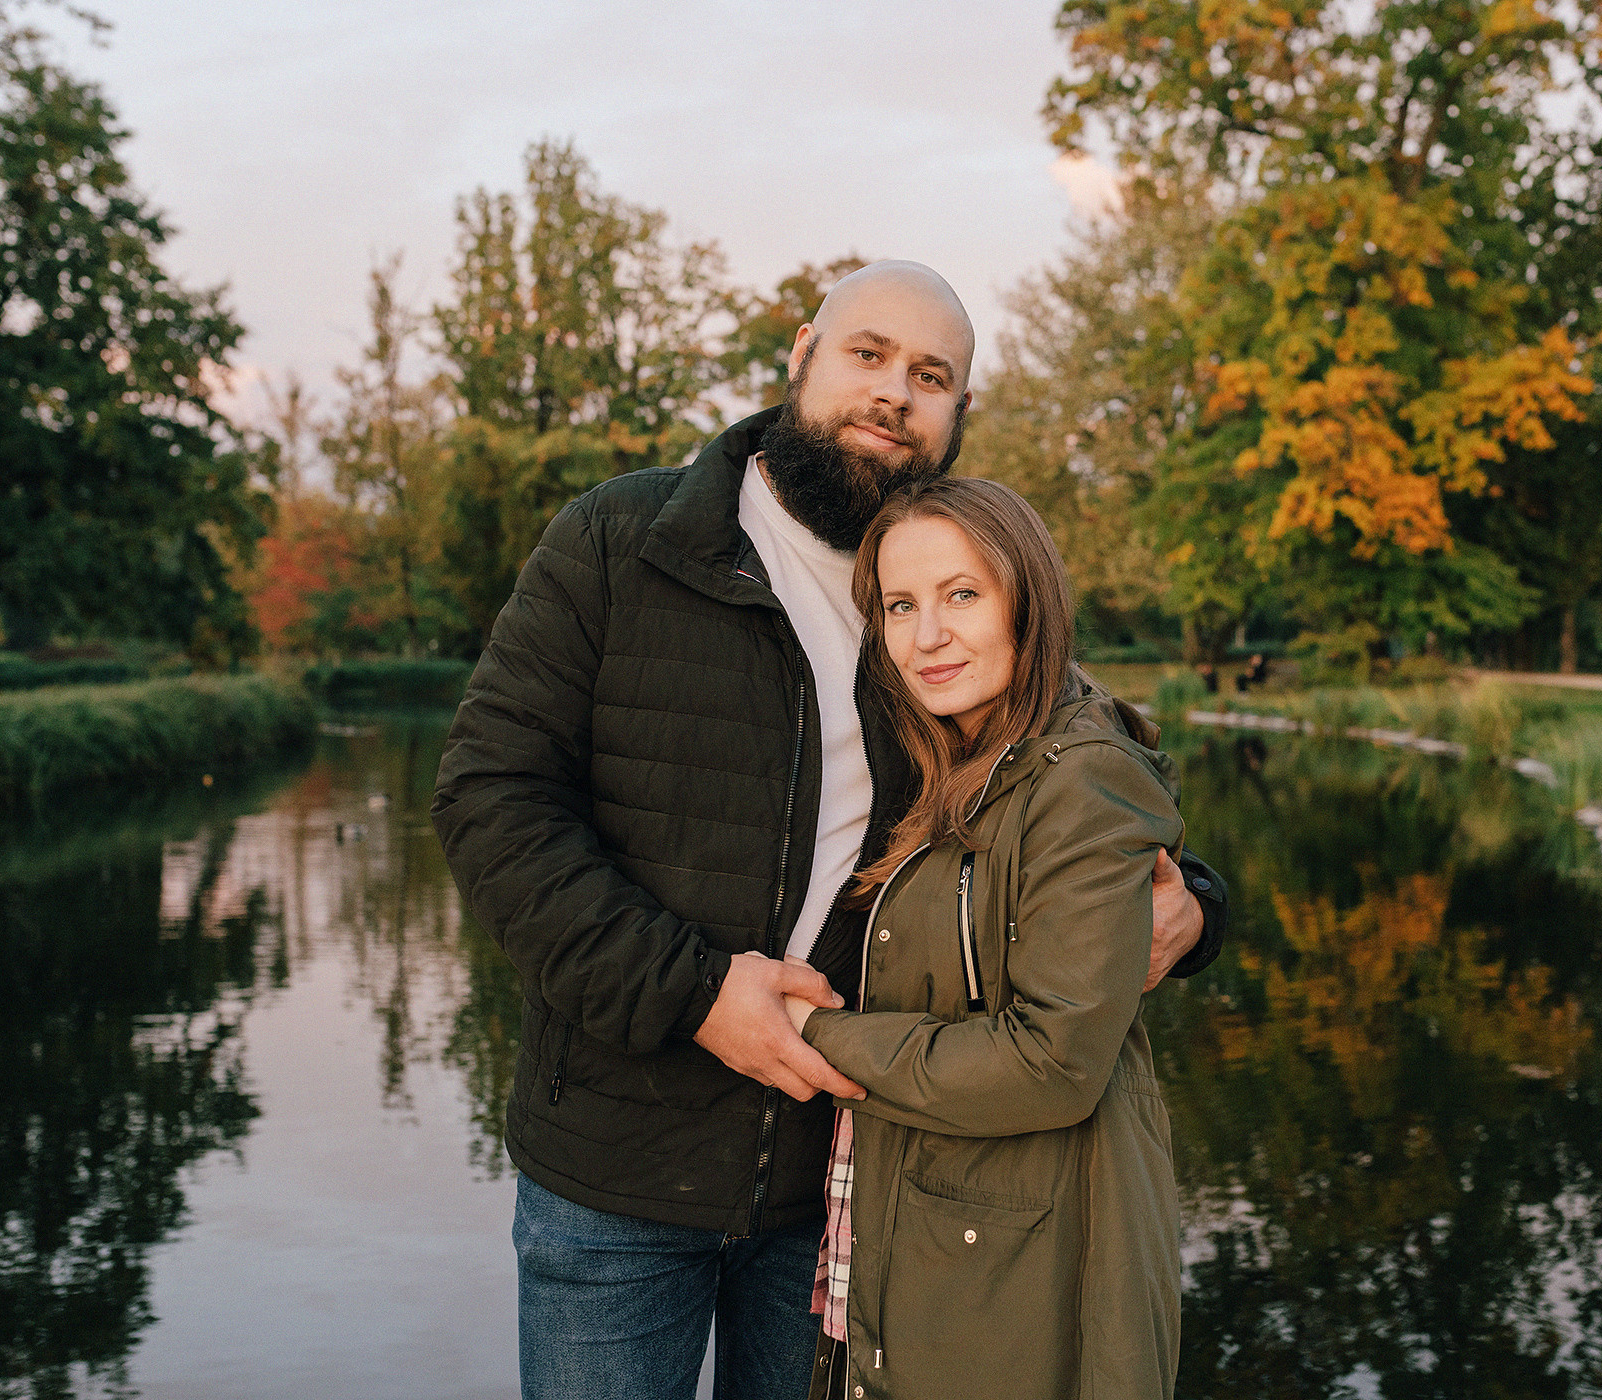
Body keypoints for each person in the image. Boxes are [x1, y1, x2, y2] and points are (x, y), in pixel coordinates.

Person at [432, 261, 1226, 1400]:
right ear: (801, 356)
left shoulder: (940, 593)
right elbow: (489, 796)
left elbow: (1079, 775)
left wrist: (1194, 904)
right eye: (867, 354)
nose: (894, 392)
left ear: (958, 415)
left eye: (930, 375)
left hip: (850, 1175)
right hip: (615, 1169)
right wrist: (695, 994)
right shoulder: (618, 540)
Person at [786, 477, 1185, 1400]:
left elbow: (1054, 1060)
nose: (927, 636)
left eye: (962, 595)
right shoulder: (955, 759)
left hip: (1029, 1271)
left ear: (1027, 599)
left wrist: (813, 1034)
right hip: (932, 1243)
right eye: (900, 606)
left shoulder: (1081, 778)